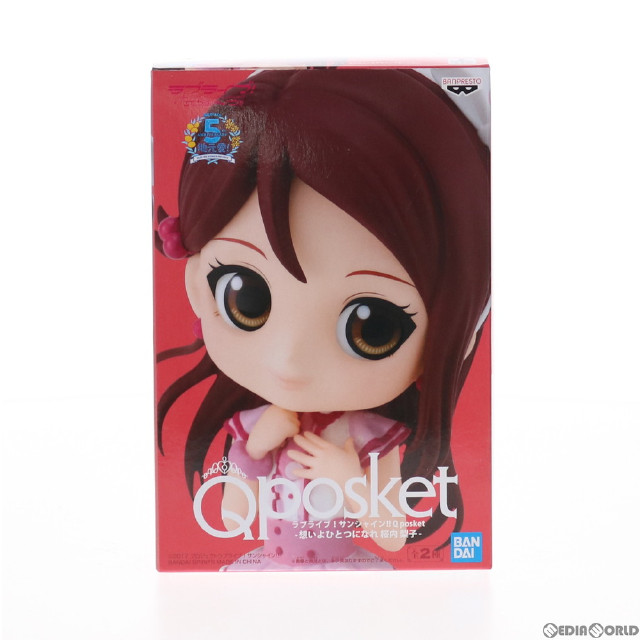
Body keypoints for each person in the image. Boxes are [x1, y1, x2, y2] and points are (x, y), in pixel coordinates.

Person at [156, 68, 491, 570]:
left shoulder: (370, 436)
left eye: (371, 327)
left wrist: (348, 479)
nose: (289, 362)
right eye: (247, 299)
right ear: (196, 287)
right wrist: (253, 451)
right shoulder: (255, 427)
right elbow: (231, 518)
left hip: (349, 575)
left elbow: (392, 536)